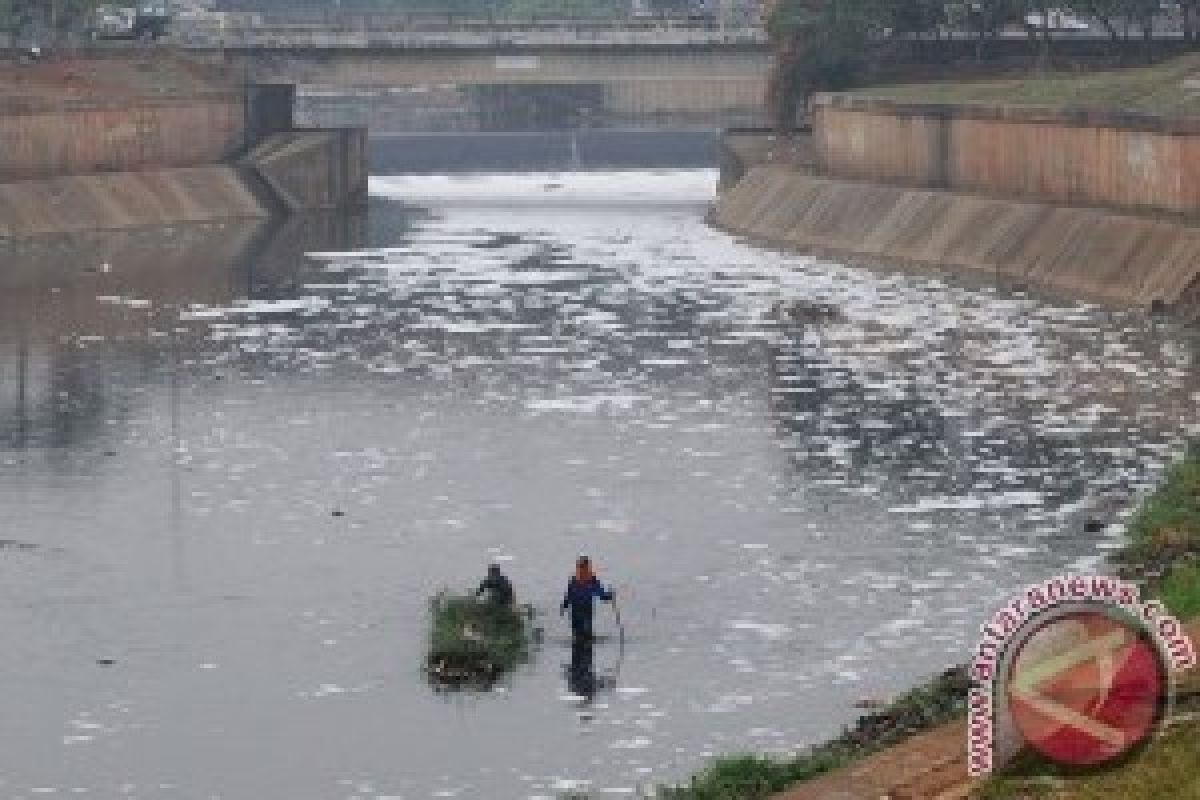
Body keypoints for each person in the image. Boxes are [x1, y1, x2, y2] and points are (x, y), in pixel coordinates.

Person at [560, 556, 613, 641]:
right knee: (577, 632)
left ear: (588, 567)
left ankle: (586, 643)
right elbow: (569, 594)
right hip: (575, 609)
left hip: (586, 608)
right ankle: (579, 644)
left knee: (587, 631)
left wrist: (608, 596)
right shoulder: (574, 581)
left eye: (584, 567)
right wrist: (565, 604)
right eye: (580, 567)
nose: (582, 569)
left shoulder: (593, 581)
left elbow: (601, 593)